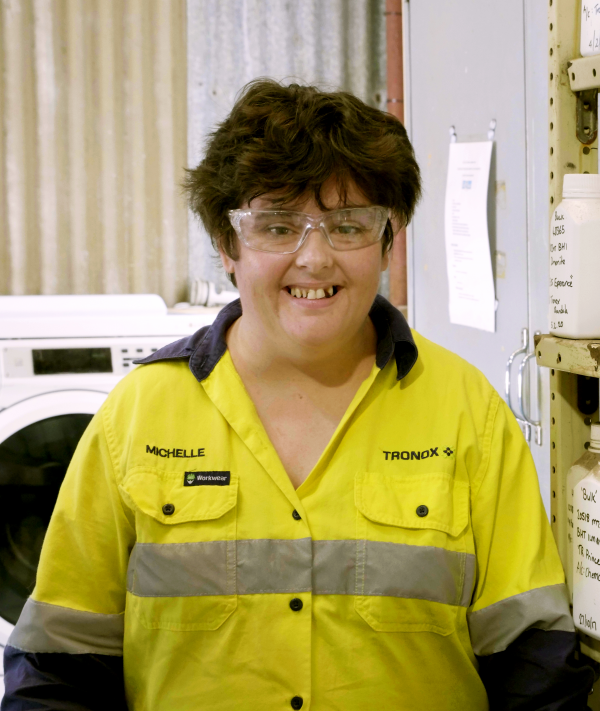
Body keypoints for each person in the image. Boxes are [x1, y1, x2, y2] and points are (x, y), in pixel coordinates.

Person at [2, 79, 594, 711]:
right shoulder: (138, 415)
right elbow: (60, 667)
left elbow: (533, 663)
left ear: (388, 240)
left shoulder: (466, 411)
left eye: (348, 226)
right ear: (228, 245)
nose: (315, 258)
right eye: (278, 227)